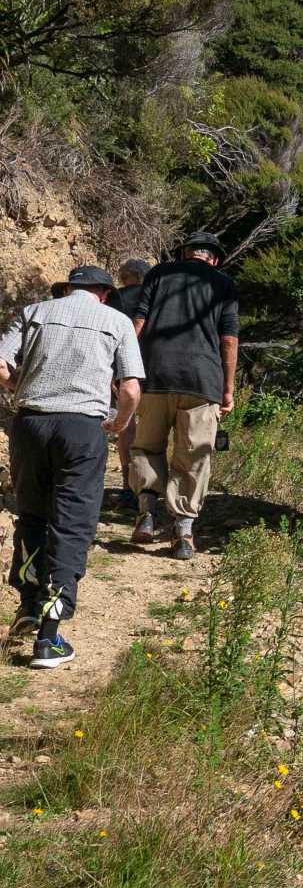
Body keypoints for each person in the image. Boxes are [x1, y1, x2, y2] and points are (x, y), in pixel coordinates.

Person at [0, 265, 144, 669]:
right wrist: (120, 422)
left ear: (66, 289)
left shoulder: (34, 312)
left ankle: (29, 605)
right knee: (72, 523)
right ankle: (49, 638)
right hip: (82, 428)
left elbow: (0, 365)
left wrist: (20, 385)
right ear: (104, 292)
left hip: (31, 423)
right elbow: (131, 388)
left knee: (32, 515)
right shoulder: (116, 321)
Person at [130, 232, 238, 562]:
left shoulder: (158, 274)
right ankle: (183, 533)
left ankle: (147, 513)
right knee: (194, 456)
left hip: (155, 375)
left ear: (183, 254)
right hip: (202, 381)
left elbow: (138, 322)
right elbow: (229, 340)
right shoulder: (224, 284)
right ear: (214, 259)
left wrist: (126, 370)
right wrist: (228, 389)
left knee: (147, 446)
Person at [106, 259, 150, 511]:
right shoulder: (157, 296)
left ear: (123, 277)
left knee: (126, 427)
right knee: (153, 429)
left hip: (123, 368)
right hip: (156, 367)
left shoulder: (115, 298)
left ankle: (128, 487)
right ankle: (149, 487)